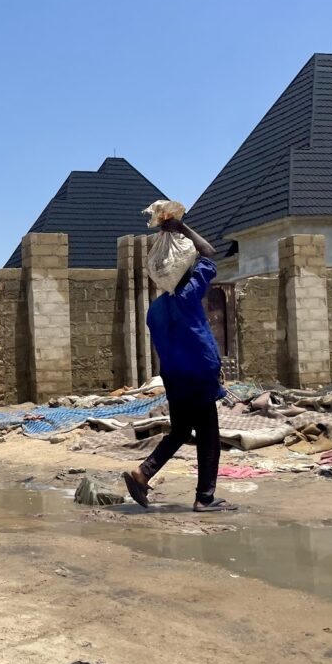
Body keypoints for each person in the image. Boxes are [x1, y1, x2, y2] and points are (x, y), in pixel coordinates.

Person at [123, 218, 236, 513]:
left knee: (182, 430)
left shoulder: (156, 308)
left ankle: (143, 473)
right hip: (198, 374)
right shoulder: (189, 293)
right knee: (209, 435)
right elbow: (209, 253)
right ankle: (205, 498)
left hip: (173, 378)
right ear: (183, 268)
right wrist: (182, 228)